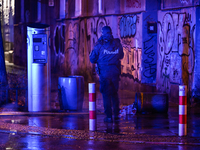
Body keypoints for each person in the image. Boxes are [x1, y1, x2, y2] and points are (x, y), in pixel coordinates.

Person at [89, 26, 124, 123]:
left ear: (102, 33)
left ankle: (109, 116)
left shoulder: (99, 45)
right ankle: (116, 115)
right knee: (114, 94)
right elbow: (121, 55)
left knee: (106, 95)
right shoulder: (117, 43)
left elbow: (92, 59)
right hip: (115, 72)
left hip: (104, 74)